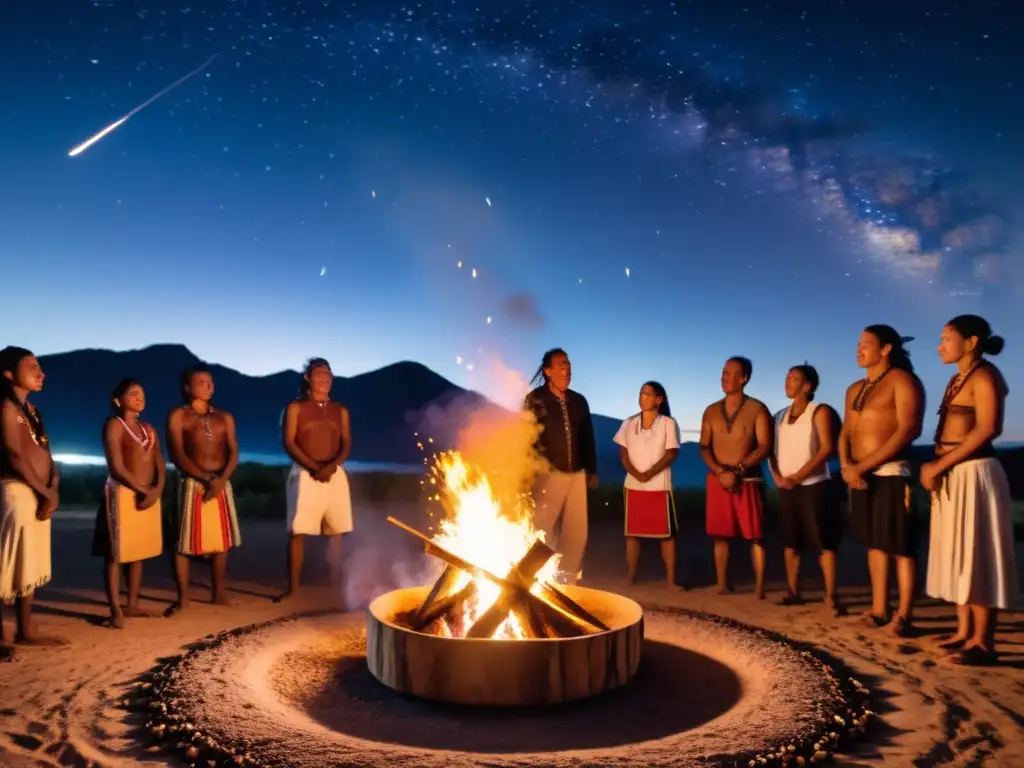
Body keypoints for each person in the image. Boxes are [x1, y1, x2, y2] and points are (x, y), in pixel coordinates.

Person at [922, 315, 1018, 665]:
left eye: (947, 338)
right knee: (956, 551)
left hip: (976, 472)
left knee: (977, 552)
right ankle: (964, 632)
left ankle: (983, 641)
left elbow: (988, 427)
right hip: (953, 473)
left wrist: (939, 465)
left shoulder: (986, 375)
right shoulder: (955, 378)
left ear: (971, 341)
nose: (940, 345)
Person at [839, 325, 924, 637]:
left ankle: (904, 614)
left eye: (866, 344)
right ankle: (878, 609)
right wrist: (848, 465)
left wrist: (863, 466)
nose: (858, 350)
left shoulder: (903, 381)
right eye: (858, 344)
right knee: (874, 543)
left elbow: (907, 430)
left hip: (891, 473)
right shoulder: (854, 389)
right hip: (860, 476)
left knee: (900, 545)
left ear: (886, 348)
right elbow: (847, 431)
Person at [0, 346, 66, 651]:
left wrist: (52, 485)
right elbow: (15, 455)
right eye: (32, 368)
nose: (41, 373)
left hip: (39, 493)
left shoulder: (33, 411)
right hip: (15, 490)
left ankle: (26, 629)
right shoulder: (4, 407)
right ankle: (2, 636)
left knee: (29, 562)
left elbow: (45, 452)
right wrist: (43, 492)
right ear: (9, 374)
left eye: (40, 367)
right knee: (8, 562)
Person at [164, 366, 241, 616]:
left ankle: (219, 593)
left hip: (220, 483)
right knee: (183, 542)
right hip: (191, 483)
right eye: (201, 382)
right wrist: (205, 478)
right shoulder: (178, 415)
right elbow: (177, 453)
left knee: (221, 541)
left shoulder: (224, 417)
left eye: (210, 382)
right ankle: (183, 598)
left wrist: (221, 480)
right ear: (187, 387)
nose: (208, 386)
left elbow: (233, 452)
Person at [770, 363, 845, 616]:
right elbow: (771, 450)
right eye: (787, 377)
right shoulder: (779, 415)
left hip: (815, 486)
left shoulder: (819, 412)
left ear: (808, 385)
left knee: (825, 541)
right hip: (787, 487)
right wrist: (777, 477)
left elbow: (826, 449)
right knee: (790, 541)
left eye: (794, 378)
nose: (788, 382)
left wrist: (798, 476)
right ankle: (794, 592)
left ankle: (831, 596)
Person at [276, 358, 353, 602]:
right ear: (308, 378)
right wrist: (313, 467)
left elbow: (346, 443)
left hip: (334, 473)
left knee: (337, 531)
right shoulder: (295, 407)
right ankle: (293, 589)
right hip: (305, 473)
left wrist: (331, 466)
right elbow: (289, 442)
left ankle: (335, 586)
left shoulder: (340, 410)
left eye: (329, 375)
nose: (325, 379)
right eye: (319, 375)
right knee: (298, 531)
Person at [92, 379, 166, 629]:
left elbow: (159, 462)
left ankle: (131, 604)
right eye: (133, 393)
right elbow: (116, 466)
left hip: (147, 494)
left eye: (142, 394)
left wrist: (157, 489)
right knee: (116, 553)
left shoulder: (149, 428)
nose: (139, 397)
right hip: (121, 493)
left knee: (138, 551)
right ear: (117, 400)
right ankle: (115, 610)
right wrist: (143, 489)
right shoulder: (114, 424)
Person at [699, 356, 773, 598]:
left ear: (744, 378)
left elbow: (764, 446)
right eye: (723, 372)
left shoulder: (757, 409)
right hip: (718, 479)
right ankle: (722, 583)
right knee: (720, 535)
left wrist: (740, 469)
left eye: (732, 373)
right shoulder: (710, 410)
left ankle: (760, 587)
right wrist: (720, 471)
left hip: (748, 479)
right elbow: (704, 447)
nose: (725, 378)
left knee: (756, 535)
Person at [524, 348, 597, 584]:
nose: (567, 370)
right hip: (548, 474)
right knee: (543, 530)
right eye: (562, 365)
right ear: (548, 371)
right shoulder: (535, 400)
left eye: (569, 365)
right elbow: (526, 437)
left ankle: (568, 582)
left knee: (577, 533)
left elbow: (587, 436)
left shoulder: (579, 401)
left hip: (576, 474)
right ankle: (532, 579)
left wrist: (592, 468)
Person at [614, 381, 681, 588]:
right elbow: (623, 452)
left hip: (660, 486)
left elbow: (672, 453)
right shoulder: (628, 423)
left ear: (659, 400)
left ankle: (671, 581)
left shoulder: (668, 423)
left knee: (667, 535)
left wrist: (651, 472)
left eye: (648, 394)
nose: (643, 397)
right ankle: (631, 576)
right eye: (641, 393)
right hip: (634, 485)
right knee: (632, 534)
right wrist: (635, 473)